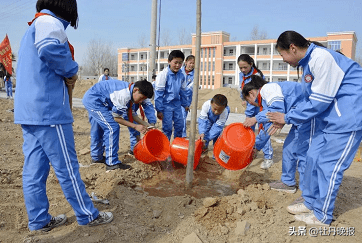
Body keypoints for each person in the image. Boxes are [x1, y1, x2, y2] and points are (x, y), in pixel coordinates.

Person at [14, 0, 113, 232]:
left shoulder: (35, 25)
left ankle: (39, 220)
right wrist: (71, 69)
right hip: (49, 112)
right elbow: (49, 49)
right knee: (67, 167)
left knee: (34, 170)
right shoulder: (49, 22)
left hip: (30, 112)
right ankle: (87, 215)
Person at [267, 30, 362, 226]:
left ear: (292, 48)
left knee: (329, 167)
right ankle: (310, 201)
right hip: (328, 120)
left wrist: (287, 117)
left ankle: (322, 214)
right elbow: (310, 99)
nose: (283, 59)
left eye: (282, 54)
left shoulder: (321, 58)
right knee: (312, 157)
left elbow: (319, 101)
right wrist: (289, 117)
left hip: (346, 120)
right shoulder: (309, 63)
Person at [242, 75, 310, 194]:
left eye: (249, 101)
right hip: (300, 117)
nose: (252, 105)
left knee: (303, 154)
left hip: (307, 114)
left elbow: (276, 111)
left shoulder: (268, 89)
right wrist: (256, 147)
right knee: (289, 148)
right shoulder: (266, 102)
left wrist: (254, 119)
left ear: (252, 93)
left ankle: (308, 193)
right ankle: (288, 183)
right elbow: (268, 128)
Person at [82, 79, 154, 170]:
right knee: (112, 127)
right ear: (136, 90)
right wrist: (135, 126)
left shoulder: (130, 92)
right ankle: (112, 163)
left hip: (98, 99)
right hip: (95, 101)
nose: (141, 101)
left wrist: (146, 124)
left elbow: (131, 113)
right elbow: (116, 118)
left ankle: (97, 158)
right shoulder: (123, 95)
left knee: (98, 127)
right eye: (141, 98)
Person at [237, 54, 274, 169]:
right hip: (250, 103)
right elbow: (243, 89)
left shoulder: (256, 76)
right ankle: (248, 153)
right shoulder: (241, 75)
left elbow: (256, 97)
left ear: (251, 64)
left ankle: (268, 157)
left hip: (258, 106)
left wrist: (249, 115)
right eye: (241, 68)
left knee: (263, 130)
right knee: (248, 131)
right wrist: (244, 99)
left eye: (245, 67)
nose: (243, 70)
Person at [154, 50, 189, 140]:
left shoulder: (182, 75)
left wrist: (185, 104)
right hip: (166, 106)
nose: (177, 65)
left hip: (177, 105)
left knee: (180, 126)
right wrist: (159, 110)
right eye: (175, 62)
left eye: (180, 63)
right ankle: (166, 149)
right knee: (167, 128)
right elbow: (159, 94)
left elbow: (183, 91)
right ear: (169, 61)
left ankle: (176, 147)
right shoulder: (163, 75)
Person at [181, 55, 195, 137]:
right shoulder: (179, 72)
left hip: (186, 100)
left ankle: (182, 136)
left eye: (193, 63)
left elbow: (189, 90)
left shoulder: (194, 75)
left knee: (183, 117)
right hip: (176, 99)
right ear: (186, 62)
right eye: (190, 63)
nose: (192, 65)